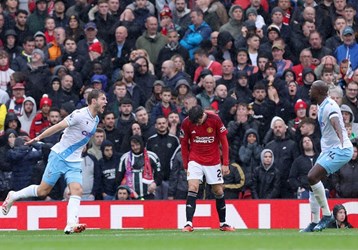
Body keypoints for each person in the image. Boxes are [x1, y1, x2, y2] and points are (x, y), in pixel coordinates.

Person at [1, 89, 107, 234]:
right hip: (60, 156)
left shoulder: (95, 120)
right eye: (103, 99)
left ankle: (71, 224)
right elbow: (57, 127)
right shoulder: (79, 115)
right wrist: (39, 137)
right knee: (43, 190)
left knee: (77, 190)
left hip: (75, 161)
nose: (105, 102)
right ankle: (14, 195)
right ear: (94, 101)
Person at [302, 80, 353, 232]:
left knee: (312, 177)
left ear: (318, 92)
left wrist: (341, 137)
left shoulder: (329, 106)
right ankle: (315, 221)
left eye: (312, 89)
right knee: (312, 183)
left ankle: (326, 215)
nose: (309, 91)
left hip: (341, 149)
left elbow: (335, 120)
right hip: (329, 149)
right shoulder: (321, 104)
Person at [180, 105, 235, 232]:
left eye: (198, 122)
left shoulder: (215, 119)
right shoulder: (187, 122)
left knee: (218, 191)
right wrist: (185, 164)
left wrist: (225, 163)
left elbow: (224, 142)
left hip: (213, 161)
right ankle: (188, 224)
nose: (197, 125)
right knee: (193, 187)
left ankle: (223, 223)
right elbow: (183, 144)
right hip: (195, 160)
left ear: (202, 115)